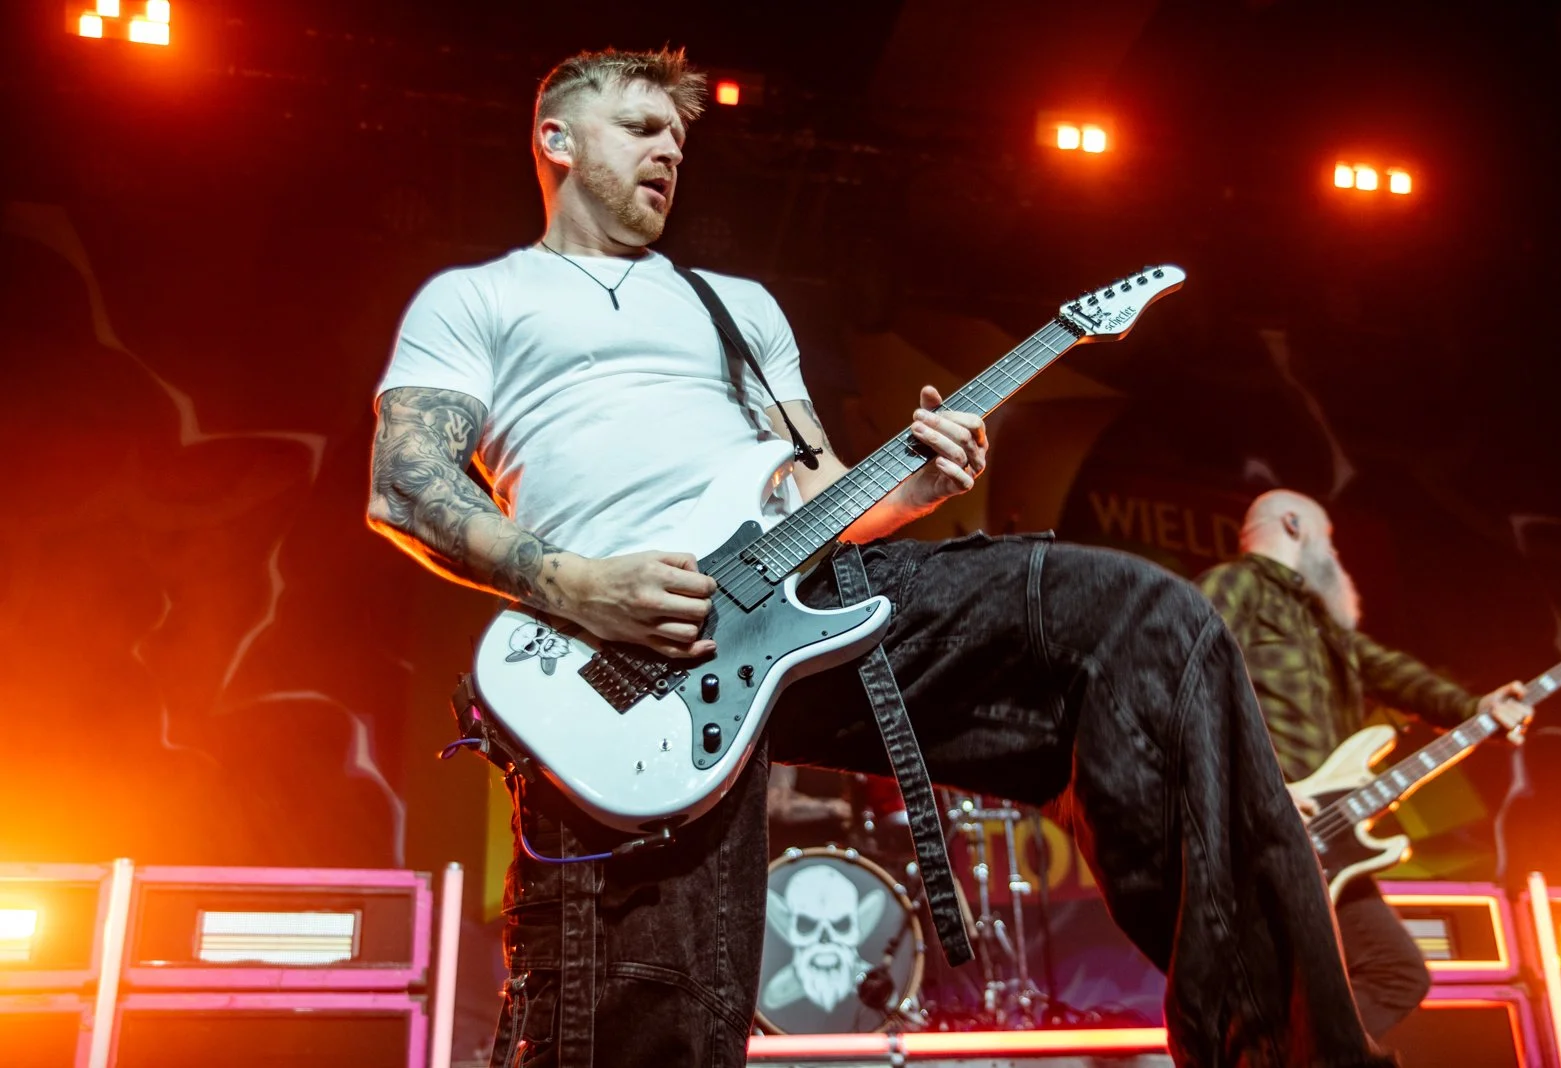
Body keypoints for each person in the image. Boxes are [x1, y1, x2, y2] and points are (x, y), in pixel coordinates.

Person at [367, 47, 1394, 1068]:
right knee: (652, 1008)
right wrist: (582, 586)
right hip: (617, 658)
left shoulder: (738, 307)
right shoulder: (477, 300)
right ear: (556, 139)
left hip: (797, 600)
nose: (668, 153)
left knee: (1138, 621)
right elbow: (407, 485)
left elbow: (820, 497)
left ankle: (1282, 1051)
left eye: (678, 139)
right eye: (641, 129)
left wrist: (912, 486)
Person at [1196, 489, 1532, 1040]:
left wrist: (1476, 708)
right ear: (1293, 525)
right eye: (1328, 539)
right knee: (1299, 984)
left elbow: (1395, 674)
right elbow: (1185, 681)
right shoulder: (1236, 585)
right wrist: (1259, 788)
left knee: (1395, 974)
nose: (1333, 553)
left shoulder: (1320, 624)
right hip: (1265, 832)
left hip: (1327, 846)